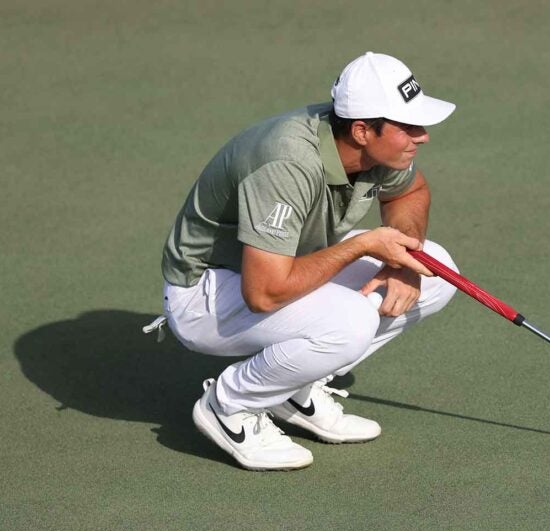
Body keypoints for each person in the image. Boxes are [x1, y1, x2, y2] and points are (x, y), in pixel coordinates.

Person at [149, 52, 458, 470]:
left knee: (434, 269)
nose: (421, 137)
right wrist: (362, 245)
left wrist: (402, 260)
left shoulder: (370, 149)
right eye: (408, 127)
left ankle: (295, 387)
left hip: (285, 264)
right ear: (364, 130)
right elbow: (264, 292)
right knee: (351, 321)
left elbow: (409, 193)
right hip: (207, 293)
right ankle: (229, 406)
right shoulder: (288, 163)